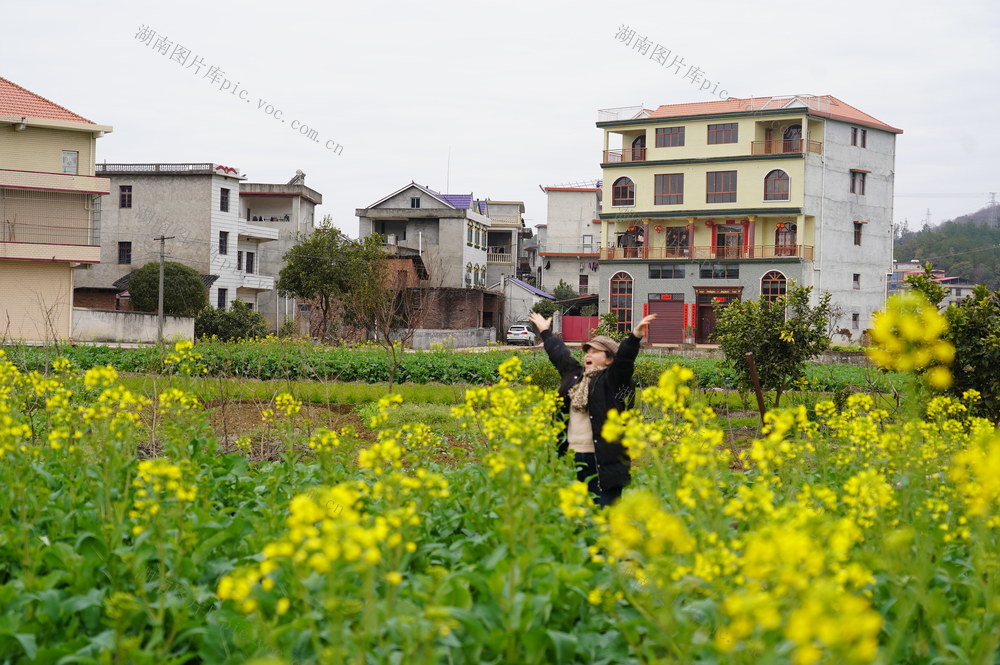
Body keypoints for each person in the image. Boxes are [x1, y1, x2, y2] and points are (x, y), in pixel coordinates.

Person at [528, 311, 657, 506]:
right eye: (587, 351)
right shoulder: (574, 376)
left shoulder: (612, 381)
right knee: (574, 515)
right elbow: (559, 354)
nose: (588, 354)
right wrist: (545, 331)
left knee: (604, 515)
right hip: (571, 457)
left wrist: (634, 337)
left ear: (609, 359)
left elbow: (625, 361)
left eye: (595, 351)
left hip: (602, 460)